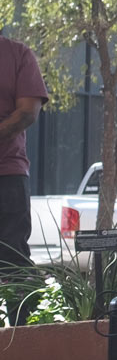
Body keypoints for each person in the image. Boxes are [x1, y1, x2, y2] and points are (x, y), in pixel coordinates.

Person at [0, 33, 49, 286]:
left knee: (13, 262)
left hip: (7, 175)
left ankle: (27, 326)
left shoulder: (18, 54)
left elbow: (28, 112)